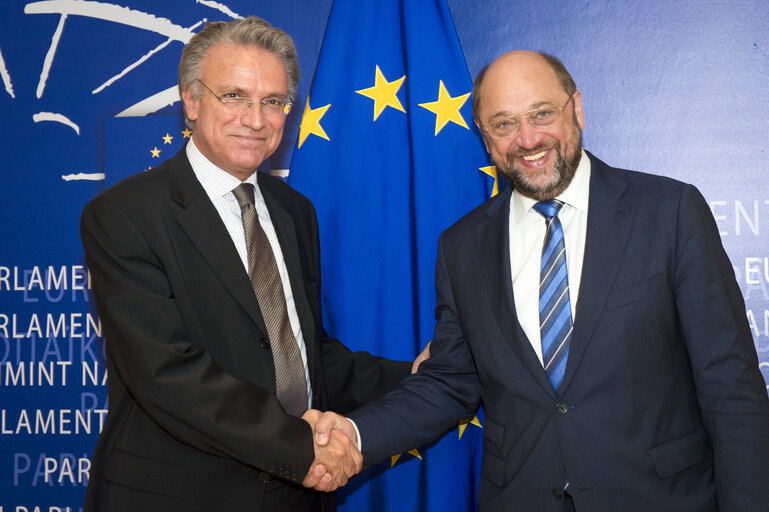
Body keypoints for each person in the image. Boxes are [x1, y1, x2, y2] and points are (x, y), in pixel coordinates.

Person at [309, 51, 769, 511]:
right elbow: (450, 381)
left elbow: (730, 385)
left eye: (542, 114)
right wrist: (355, 434)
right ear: (485, 138)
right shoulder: (462, 246)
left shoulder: (669, 212)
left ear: (578, 109)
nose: (528, 139)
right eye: (504, 124)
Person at [80, 16, 414, 512]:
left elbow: (302, 356)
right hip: (182, 497)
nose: (256, 119)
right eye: (234, 96)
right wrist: (306, 449)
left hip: (295, 497)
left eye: (274, 102)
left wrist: (419, 376)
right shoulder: (124, 215)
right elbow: (166, 374)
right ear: (191, 101)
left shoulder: (293, 211)